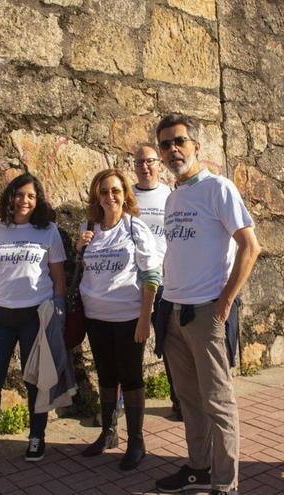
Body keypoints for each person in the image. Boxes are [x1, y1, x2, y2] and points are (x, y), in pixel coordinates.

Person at [152, 114, 260, 495]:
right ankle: (197, 468)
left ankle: (225, 484)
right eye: (165, 144)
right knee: (189, 401)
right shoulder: (174, 196)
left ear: (196, 146)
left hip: (206, 313)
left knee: (219, 403)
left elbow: (251, 246)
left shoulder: (219, 188)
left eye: (179, 141)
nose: (172, 150)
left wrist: (226, 301)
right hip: (174, 312)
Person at [0, 173, 67, 470]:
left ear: (38, 200)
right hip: (0, 317)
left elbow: (59, 278)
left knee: (35, 381)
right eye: (19, 195)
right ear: (10, 197)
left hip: (35, 315)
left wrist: (58, 314)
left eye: (31, 196)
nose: (24, 201)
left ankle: (37, 437)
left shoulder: (48, 232)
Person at [76, 168, 162, 470]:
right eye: (104, 192)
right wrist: (79, 248)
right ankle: (108, 433)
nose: (110, 197)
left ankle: (137, 441)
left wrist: (144, 318)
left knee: (131, 377)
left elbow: (152, 276)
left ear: (125, 194)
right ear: (96, 197)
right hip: (96, 317)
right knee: (106, 375)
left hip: (127, 317)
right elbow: (84, 270)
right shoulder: (90, 228)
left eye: (115, 190)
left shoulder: (135, 228)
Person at [131, 144, 180, 420]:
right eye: (139, 162)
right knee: (128, 346)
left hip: (165, 281)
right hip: (131, 282)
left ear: (159, 164)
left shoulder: (170, 196)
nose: (145, 167)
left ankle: (179, 399)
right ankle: (122, 402)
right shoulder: (128, 198)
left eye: (150, 161)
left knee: (170, 343)